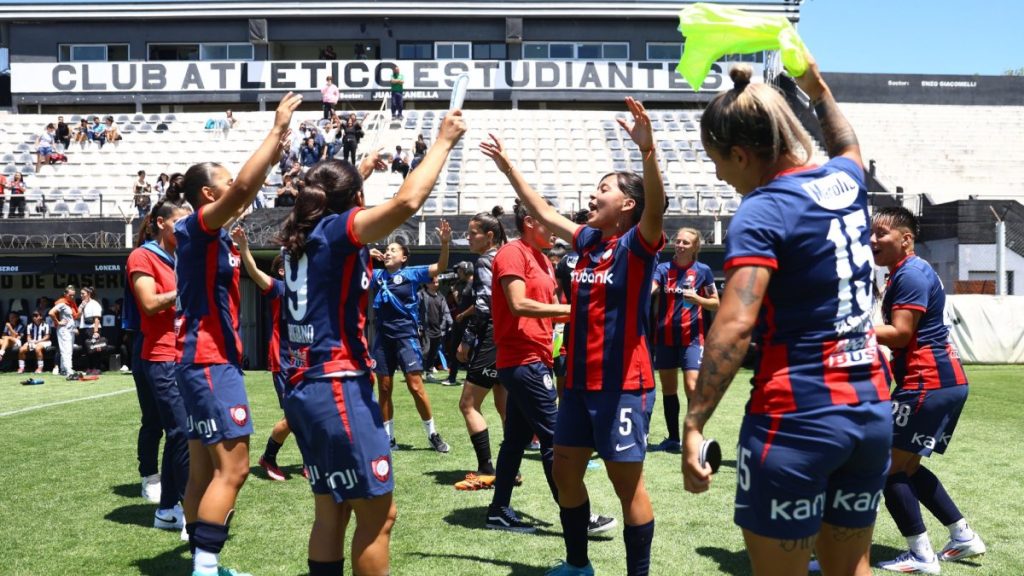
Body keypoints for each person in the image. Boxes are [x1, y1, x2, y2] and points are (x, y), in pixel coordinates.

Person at [681, 58, 893, 576]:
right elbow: (848, 146)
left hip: (797, 417)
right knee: (851, 569)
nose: (718, 174)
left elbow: (734, 324)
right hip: (870, 408)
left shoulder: (763, 209)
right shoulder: (845, 182)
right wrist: (818, 88)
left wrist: (694, 422)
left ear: (741, 153)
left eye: (718, 161)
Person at [275, 108, 465, 576]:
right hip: (337, 383)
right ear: (354, 201)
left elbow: (332, 198)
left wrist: (358, 169)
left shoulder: (302, 233)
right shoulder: (339, 232)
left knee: (332, 512)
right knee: (379, 515)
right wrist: (442, 141)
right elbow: (405, 203)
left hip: (305, 384)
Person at [481, 96, 665, 576]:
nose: (592, 196)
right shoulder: (586, 242)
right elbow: (541, 210)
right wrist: (508, 168)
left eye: (603, 189)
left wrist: (648, 154)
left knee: (629, 487)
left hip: (623, 385)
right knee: (565, 474)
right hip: (578, 385)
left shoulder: (637, 245)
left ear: (627, 204)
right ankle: (578, 564)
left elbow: (657, 208)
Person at [174, 92, 301, 576]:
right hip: (208, 362)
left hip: (202, 361)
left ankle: (202, 563)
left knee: (204, 470)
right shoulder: (200, 225)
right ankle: (206, 567)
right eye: (223, 183)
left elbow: (249, 186)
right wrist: (274, 131)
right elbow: (245, 187)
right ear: (209, 194)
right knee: (235, 468)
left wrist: (275, 149)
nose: (234, 188)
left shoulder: (215, 233)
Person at [482, 198, 618, 536]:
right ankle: (577, 516)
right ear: (530, 221)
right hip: (523, 360)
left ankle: (498, 509)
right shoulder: (512, 254)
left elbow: (557, 309)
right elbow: (518, 304)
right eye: (549, 221)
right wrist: (576, 311)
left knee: (514, 441)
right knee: (555, 441)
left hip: (534, 358)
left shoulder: (543, 259)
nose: (557, 230)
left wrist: (587, 311)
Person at [870, 206, 985, 574]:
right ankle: (962, 535)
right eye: (871, 233)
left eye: (881, 234)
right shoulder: (904, 273)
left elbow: (902, 333)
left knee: (886, 468)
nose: (873, 240)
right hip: (940, 381)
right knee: (909, 467)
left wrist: (848, 329)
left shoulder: (911, 274)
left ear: (906, 239)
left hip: (927, 382)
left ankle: (921, 556)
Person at [128, 197, 192, 535]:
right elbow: (150, 304)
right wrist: (185, 288)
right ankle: (187, 510)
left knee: (180, 432)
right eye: (179, 222)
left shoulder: (181, 255)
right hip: (160, 355)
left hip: (183, 354)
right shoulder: (143, 255)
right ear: (160, 222)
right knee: (180, 431)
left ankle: (167, 510)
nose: (185, 228)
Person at [369, 221, 453, 453]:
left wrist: (444, 243)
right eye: (386, 250)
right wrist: (364, 253)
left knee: (416, 386)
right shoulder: (376, 275)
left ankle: (432, 434)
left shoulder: (411, 274)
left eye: (393, 250)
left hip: (406, 336)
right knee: (384, 388)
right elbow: (345, 267)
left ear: (404, 257)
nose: (387, 252)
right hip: (382, 338)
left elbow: (441, 266)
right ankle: (388, 439)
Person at [230, 227, 296, 482]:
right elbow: (255, 274)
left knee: (310, 412)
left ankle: (311, 462)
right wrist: (244, 249)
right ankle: (268, 457)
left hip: (304, 361)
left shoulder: (306, 290)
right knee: (295, 416)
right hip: (283, 361)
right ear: (282, 270)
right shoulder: (279, 288)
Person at [453, 207, 509, 490]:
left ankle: (486, 468)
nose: (468, 238)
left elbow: (486, 305)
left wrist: (467, 339)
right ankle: (509, 471)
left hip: (491, 338)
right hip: (508, 339)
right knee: (504, 405)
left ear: (489, 236)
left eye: (472, 233)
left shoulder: (487, 261)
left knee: (468, 404)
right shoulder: (508, 256)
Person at [649, 228, 719, 452]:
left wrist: (698, 298)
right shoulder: (662, 269)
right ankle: (672, 439)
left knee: (691, 386)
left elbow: (716, 303)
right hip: (665, 337)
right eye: (677, 241)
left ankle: (693, 437)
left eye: (685, 242)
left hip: (692, 338)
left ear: (695, 247)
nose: (679, 245)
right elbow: (653, 287)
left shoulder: (703, 271)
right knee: (669, 389)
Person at [444, 261, 474, 386]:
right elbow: (461, 303)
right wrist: (455, 294)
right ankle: (452, 378)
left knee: (468, 351)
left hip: (469, 322)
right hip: (459, 322)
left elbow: (476, 305)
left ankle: (470, 379)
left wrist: (463, 314)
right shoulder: (461, 284)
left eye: (460, 270)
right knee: (454, 349)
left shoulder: (474, 284)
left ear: (466, 270)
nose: (458, 273)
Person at [419, 277, 452, 382]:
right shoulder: (421, 295)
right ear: (427, 284)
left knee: (433, 352)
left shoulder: (441, 297)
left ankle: (428, 373)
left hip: (438, 329)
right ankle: (419, 372)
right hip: (426, 328)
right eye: (433, 282)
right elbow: (415, 310)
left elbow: (446, 311)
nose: (436, 284)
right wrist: (418, 325)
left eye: (437, 282)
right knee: (426, 351)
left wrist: (451, 323)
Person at [49, 285, 80, 376]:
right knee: (66, 350)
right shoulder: (62, 303)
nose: (72, 297)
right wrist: (57, 322)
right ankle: (69, 370)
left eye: (73, 295)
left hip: (70, 330)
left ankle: (63, 369)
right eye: (70, 295)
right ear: (65, 294)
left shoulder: (71, 304)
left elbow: (74, 317)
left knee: (69, 350)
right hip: (64, 330)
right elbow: (51, 312)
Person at [77, 286, 105, 374]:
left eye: (83, 294)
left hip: (92, 329)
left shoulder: (94, 304)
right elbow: (77, 316)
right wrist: (81, 307)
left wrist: (96, 332)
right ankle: (89, 367)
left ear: (88, 294)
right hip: (83, 329)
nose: (81, 295)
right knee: (86, 350)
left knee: (95, 348)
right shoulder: (82, 304)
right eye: (80, 293)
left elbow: (97, 319)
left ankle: (97, 368)